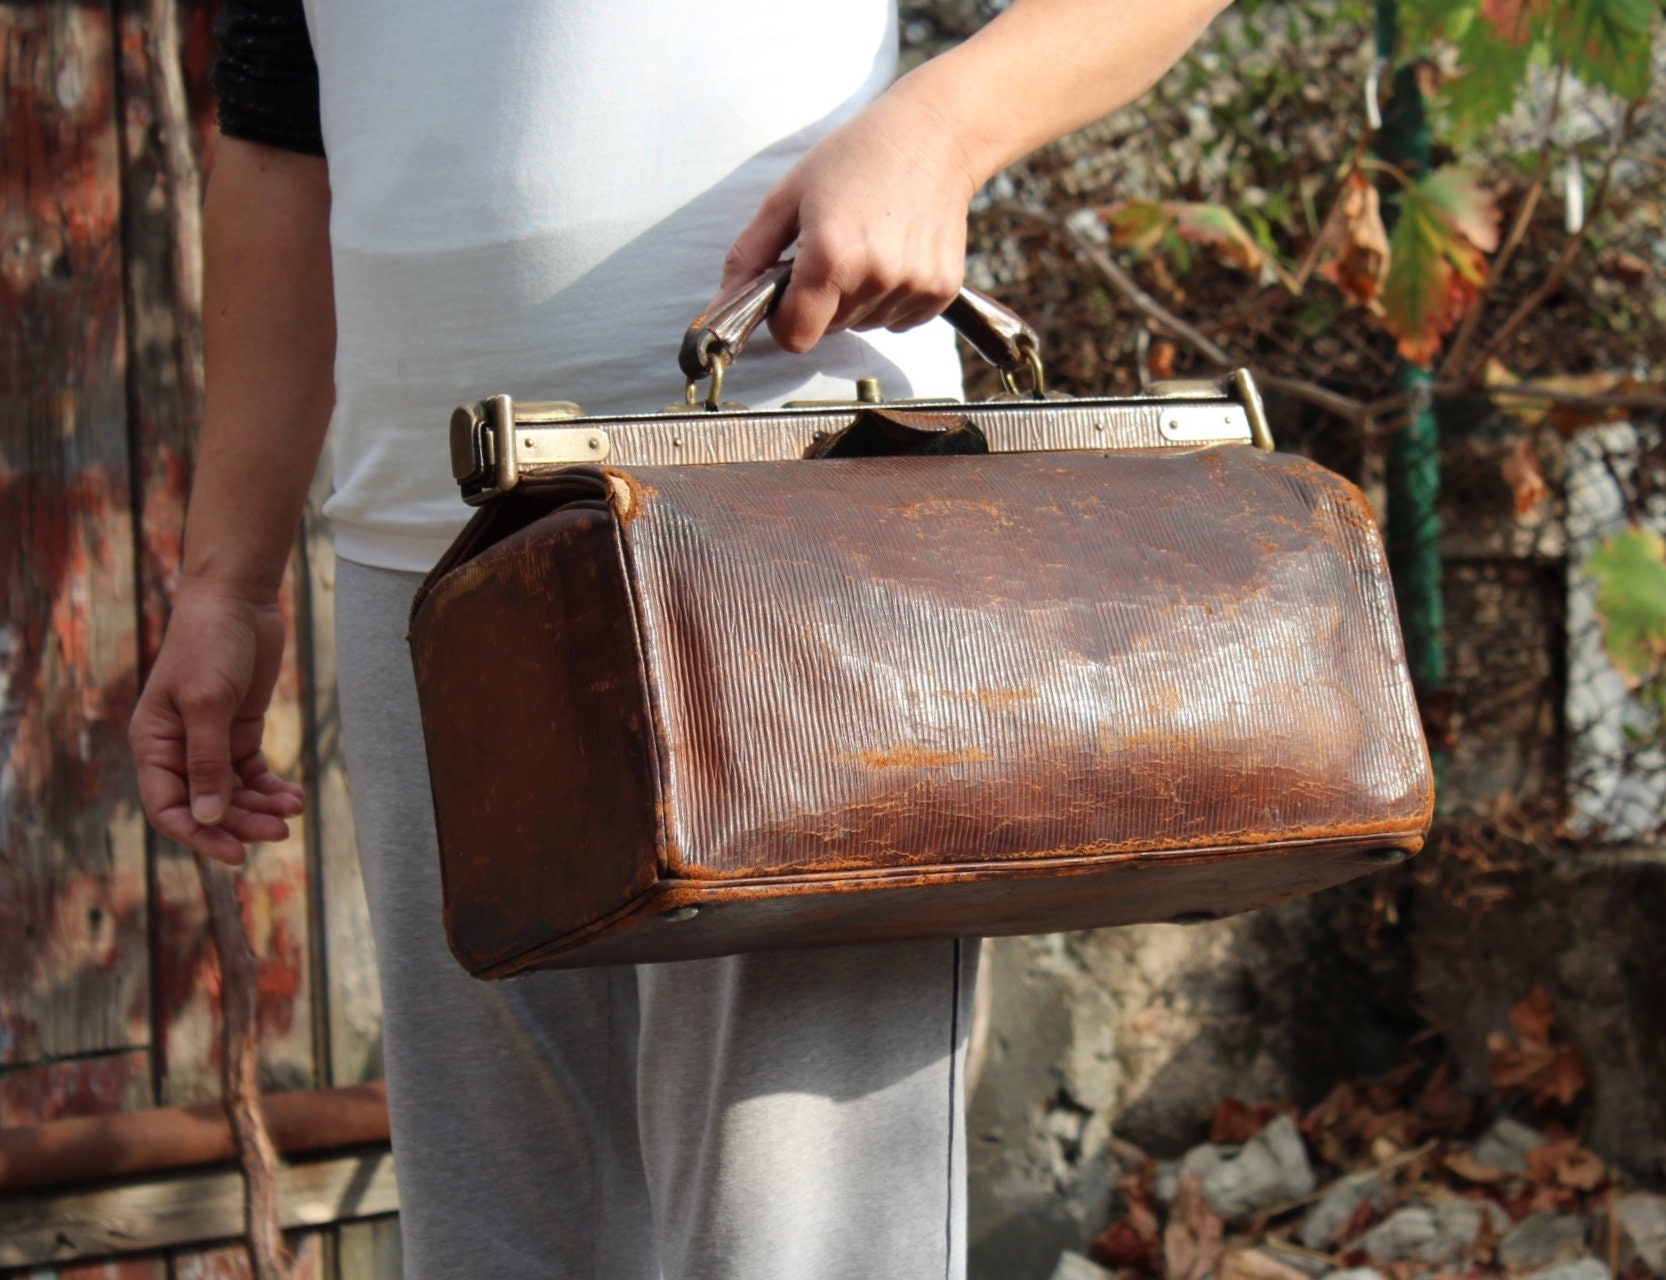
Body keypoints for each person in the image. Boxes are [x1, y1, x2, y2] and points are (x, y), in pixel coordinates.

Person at [127, 1, 1231, 1275]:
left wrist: (942, 124)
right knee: (502, 1235)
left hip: (801, 508)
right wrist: (225, 584)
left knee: (799, 1239)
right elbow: (276, 130)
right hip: (431, 558)